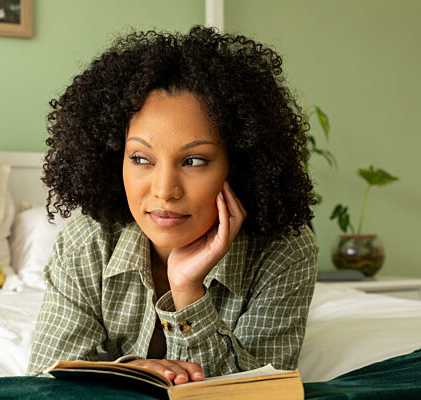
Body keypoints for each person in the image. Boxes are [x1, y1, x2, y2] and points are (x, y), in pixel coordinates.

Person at [27, 26, 319, 385]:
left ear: (238, 164)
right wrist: (125, 373)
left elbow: (259, 391)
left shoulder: (285, 249)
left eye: (194, 161)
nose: (165, 191)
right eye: (140, 158)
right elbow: (43, 382)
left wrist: (188, 292)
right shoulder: (89, 239)